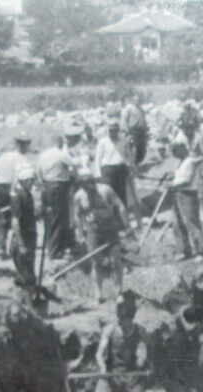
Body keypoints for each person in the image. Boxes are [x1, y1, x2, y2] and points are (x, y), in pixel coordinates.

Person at [94, 292, 152, 392]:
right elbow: (100, 353)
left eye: (127, 318)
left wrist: (141, 360)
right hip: (110, 374)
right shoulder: (110, 330)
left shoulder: (140, 331)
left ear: (131, 316)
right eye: (121, 317)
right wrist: (102, 367)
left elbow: (142, 350)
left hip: (132, 375)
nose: (123, 322)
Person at [74, 172, 132, 304]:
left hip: (110, 229)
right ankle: (98, 294)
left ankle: (119, 292)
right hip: (93, 231)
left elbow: (120, 206)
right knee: (96, 262)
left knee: (116, 261)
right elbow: (77, 215)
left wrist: (127, 227)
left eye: (91, 185)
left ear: (94, 182)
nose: (89, 189)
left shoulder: (105, 190)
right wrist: (81, 233)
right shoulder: (79, 196)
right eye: (85, 187)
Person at [37, 122, 82, 260]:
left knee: (50, 218)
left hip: (46, 186)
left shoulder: (43, 155)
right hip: (58, 187)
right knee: (59, 218)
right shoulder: (60, 154)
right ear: (60, 143)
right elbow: (74, 164)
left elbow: (38, 172)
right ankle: (55, 251)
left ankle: (52, 245)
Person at [0, 135, 33, 258]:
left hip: (1, 187)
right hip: (11, 188)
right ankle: (17, 246)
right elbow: (20, 177)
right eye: (25, 144)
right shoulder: (22, 158)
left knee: (2, 219)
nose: (26, 146)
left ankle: (0, 248)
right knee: (16, 218)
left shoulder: (5, 155)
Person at [167, 133, 203, 262]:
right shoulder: (181, 162)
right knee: (177, 223)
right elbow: (179, 177)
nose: (174, 153)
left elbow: (187, 181)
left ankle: (200, 251)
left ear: (183, 148)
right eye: (173, 150)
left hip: (188, 194)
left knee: (191, 222)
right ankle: (183, 250)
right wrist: (173, 176)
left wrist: (173, 184)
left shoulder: (190, 161)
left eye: (176, 150)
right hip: (177, 193)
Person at [9, 150, 39, 288]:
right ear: (25, 180)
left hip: (30, 235)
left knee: (30, 272)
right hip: (23, 239)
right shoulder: (18, 197)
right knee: (25, 274)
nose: (33, 183)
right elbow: (15, 222)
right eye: (31, 180)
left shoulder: (27, 194)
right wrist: (21, 244)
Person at [94, 120, 133, 214]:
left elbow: (128, 155)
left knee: (122, 192)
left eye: (114, 130)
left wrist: (130, 166)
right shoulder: (103, 142)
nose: (112, 132)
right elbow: (98, 159)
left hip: (121, 169)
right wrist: (98, 173)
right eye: (110, 130)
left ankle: (124, 214)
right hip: (108, 170)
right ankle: (114, 216)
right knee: (110, 193)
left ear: (118, 130)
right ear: (108, 130)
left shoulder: (123, 140)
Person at [121, 94, 149, 168]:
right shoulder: (129, 108)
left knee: (142, 148)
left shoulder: (141, 109)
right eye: (136, 100)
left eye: (139, 100)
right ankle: (133, 165)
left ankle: (138, 163)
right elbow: (124, 119)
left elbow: (144, 119)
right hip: (133, 131)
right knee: (134, 148)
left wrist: (146, 129)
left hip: (142, 131)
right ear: (133, 100)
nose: (138, 101)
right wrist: (126, 130)